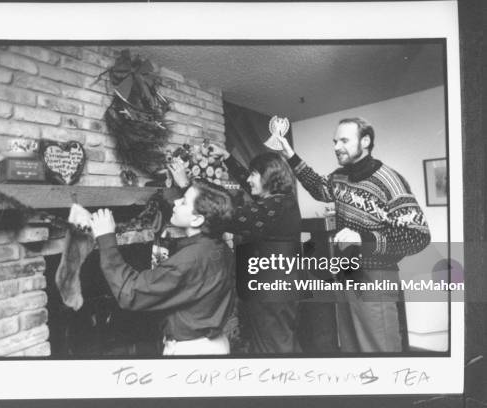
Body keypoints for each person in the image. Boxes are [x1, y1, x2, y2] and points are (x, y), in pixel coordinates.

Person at [277, 117, 431, 352]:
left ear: (366, 141)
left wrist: (363, 238)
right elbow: (319, 188)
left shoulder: (390, 181)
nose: (336, 147)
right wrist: (291, 155)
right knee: (351, 349)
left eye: (344, 140)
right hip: (346, 272)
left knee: (380, 351)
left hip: (376, 276)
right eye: (335, 141)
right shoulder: (340, 177)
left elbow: (418, 235)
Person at [69, 179, 236, 356]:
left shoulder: (190, 259)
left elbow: (130, 293)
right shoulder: (220, 248)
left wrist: (106, 238)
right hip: (215, 344)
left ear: (197, 219)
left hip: (192, 351)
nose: (176, 202)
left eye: (184, 201)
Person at [168, 149, 303, 354]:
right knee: (275, 341)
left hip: (273, 290)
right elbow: (248, 186)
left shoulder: (277, 204)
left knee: (275, 346)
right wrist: (228, 158)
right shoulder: (281, 200)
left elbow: (233, 217)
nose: (248, 180)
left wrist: (187, 187)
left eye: (253, 174)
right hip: (276, 286)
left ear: (268, 176)